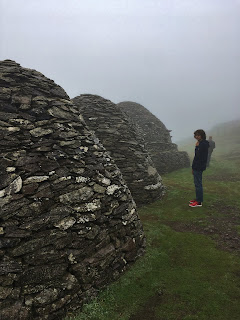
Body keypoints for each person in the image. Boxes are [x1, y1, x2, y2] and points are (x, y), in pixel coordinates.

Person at [189, 129, 209, 207]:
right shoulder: (201, 143)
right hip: (198, 166)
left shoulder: (203, 144)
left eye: (198, 135)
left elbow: (198, 156)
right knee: (197, 183)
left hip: (199, 166)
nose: (196, 137)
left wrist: (197, 147)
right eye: (195, 135)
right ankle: (197, 199)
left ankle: (199, 202)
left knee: (198, 184)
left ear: (202, 135)